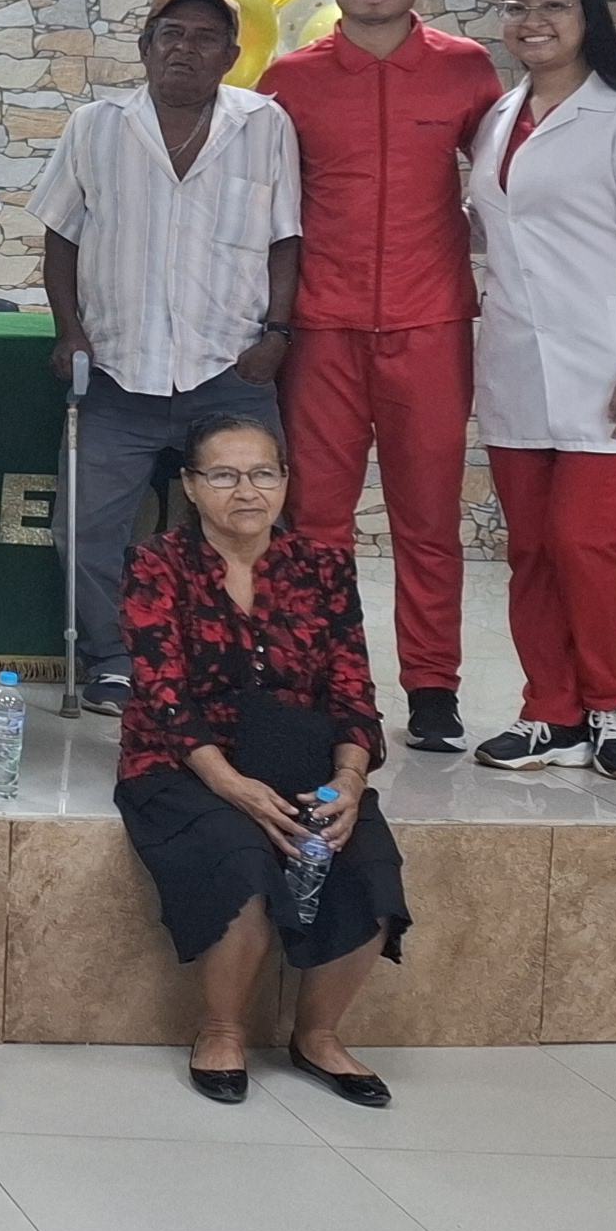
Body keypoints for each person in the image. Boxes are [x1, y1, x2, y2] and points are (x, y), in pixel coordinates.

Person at [259, 0, 502, 754]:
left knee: (427, 517)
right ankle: (324, 680)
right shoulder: (290, 80)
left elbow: (512, 183)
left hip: (431, 322)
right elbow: (261, 206)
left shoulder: (467, 69)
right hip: (320, 327)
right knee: (315, 519)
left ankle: (433, 687)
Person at [119, 413, 403, 1109]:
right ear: (190, 485)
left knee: (368, 862)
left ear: (284, 481)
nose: (246, 491)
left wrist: (348, 779)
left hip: (300, 758)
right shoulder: (157, 563)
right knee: (240, 859)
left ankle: (319, 1036)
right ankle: (222, 1031)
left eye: (263, 474)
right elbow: (163, 693)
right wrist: (230, 783)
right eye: (223, 475)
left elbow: (353, 690)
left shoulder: (324, 567)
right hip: (184, 763)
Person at [32, 0, 303, 711]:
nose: (186, 48)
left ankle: (240, 661)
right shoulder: (96, 126)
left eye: (205, 37)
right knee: (83, 527)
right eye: (171, 34)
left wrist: (277, 334)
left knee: (251, 521)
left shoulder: (265, 125)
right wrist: (70, 329)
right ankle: (113, 658)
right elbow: (60, 237)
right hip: (118, 371)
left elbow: (284, 239)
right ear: (146, 46)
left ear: (231, 55)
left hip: (230, 368)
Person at [466, 0, 616, 782]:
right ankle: (550, 714)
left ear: (587, 16)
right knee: (531, 548)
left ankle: (609, 704)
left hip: (613, 365)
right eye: (517, 6)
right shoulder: (497, 118)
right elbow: (497, 229)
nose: (534, 21)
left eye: (554, 5)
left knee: (585, 541)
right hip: (518, 362)